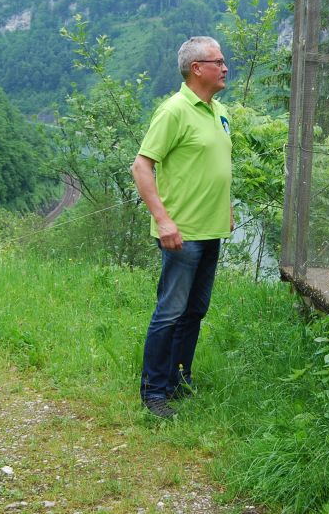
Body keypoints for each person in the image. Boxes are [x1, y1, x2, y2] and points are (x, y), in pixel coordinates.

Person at [131, 36, 233, 418]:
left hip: (211, 230)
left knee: (195, 310)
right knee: (170, 312)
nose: (225, 68)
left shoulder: (220, 111)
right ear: (197, 68)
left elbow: (215, 166)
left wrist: (228, 207)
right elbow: (142, 166)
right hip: (182, 233)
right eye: (218, 62)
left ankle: (178, 380)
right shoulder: (174, 110)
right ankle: (154, 392)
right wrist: (163, 220)